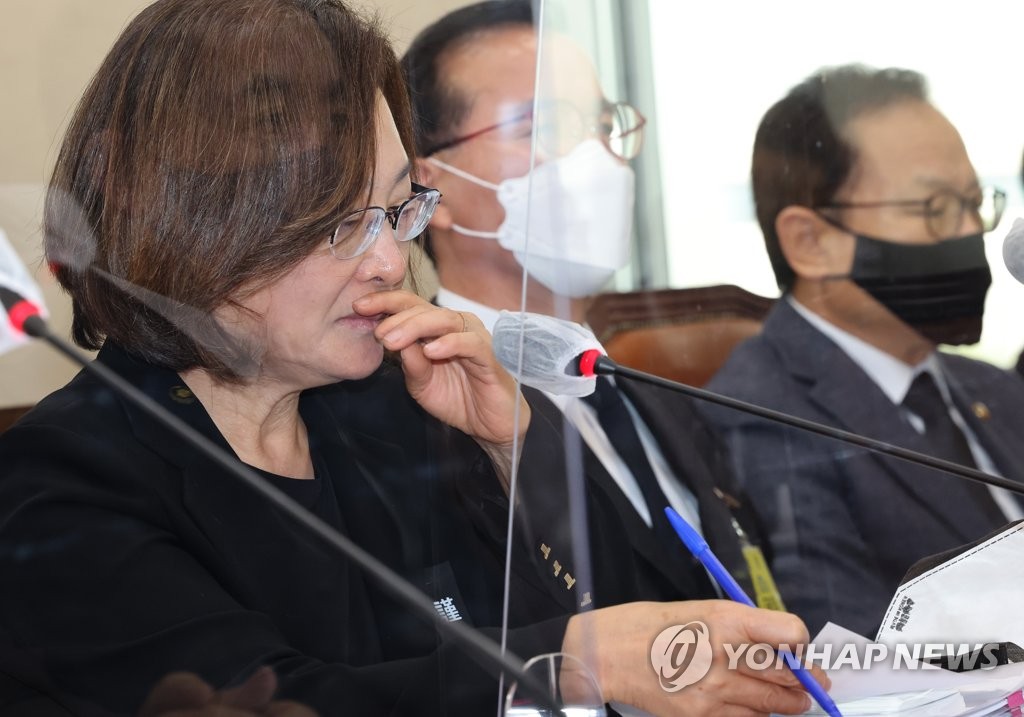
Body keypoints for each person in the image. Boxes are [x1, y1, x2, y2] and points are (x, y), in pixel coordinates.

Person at [0, 1, 823, 716]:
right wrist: (567, 663)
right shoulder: (63, 481)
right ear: (193, 224)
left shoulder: (388, 407)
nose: (392, 262)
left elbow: (641, 625)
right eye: (338, 225)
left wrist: (514, 450)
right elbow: (282, 699)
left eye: (396, 210)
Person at [701, 64, 1024, 638]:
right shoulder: (758, 417)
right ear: (810, 241)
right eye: (937, 208)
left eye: (976, 204)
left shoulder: (993, 388)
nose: (972, 231)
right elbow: (857, 660)